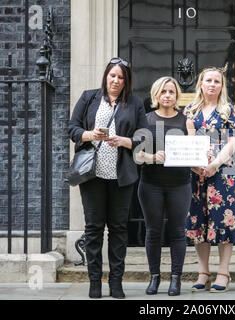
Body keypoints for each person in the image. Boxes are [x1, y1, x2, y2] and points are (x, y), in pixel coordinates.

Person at [68, 57, 148, 299]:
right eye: (112, 75)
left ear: (126, 81)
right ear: (106, 76)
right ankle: (94, 282)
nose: (115, 80)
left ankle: (116, 282)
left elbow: (144, 136)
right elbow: (72, 128)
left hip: (120, 176)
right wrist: (89, 134)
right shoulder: (89, 97)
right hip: (92, 176)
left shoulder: (134, 103)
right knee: (93, 229)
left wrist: (124, 141)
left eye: (120, 77)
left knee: (118, 229)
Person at [185, 67, 235, 293]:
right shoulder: (190, 110)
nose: (212, 84)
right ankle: (203, 271)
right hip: (196, 172)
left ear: (222, 86)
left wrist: (214, 164)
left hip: (223, 172)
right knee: (199, 221)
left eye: (216, 81)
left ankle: (223, 272)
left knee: (223, 221)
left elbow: (233, 142)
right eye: (208, 80)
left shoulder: (229, 111)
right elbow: (188, 142)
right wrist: (197, 164)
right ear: (201, 83)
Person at [136, 77, 191, 296]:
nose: (167, 95)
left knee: (178, 231)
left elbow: (192, 150)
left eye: (171, 92)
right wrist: (152, 157)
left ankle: (176, 279)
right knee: (153, 231)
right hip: (151, 184)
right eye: (163, 91)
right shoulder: (146, 120)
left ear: (177, 95)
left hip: (180, 184)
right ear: (156, 94)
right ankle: (154, 277)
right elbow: (137, 155)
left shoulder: (185, 121)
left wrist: (203, 155)